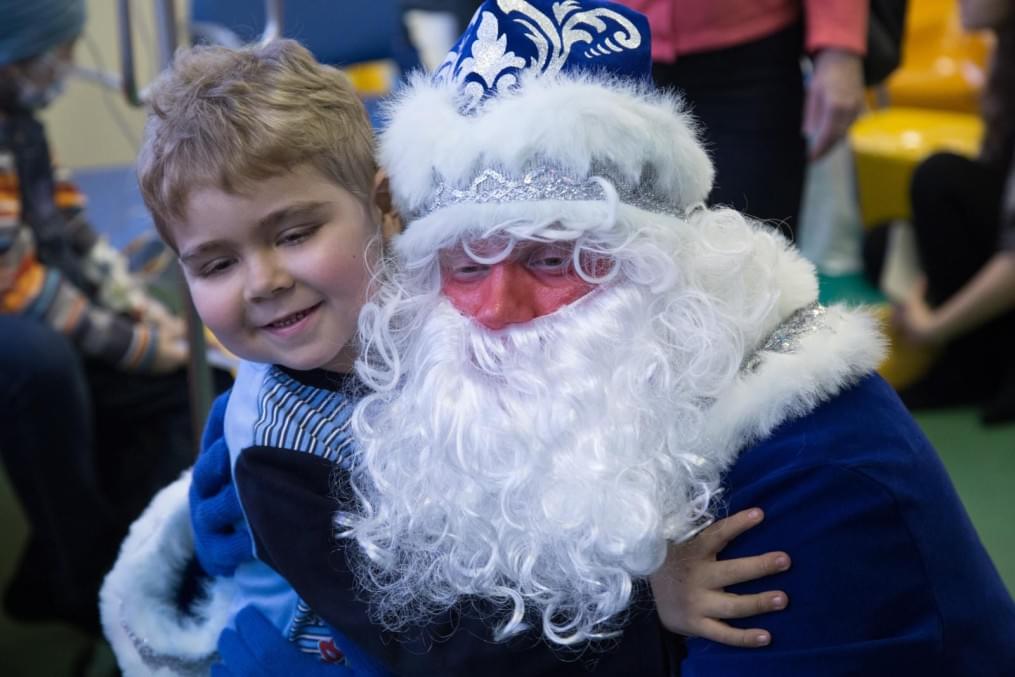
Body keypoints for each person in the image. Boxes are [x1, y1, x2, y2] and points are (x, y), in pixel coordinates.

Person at [333, 0, 1011, 673]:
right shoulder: (554, 432)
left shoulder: (807, 470)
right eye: (466, 264)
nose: (498, 308)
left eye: (550, 259)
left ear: (653, 265)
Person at [100, 24, 791, 677]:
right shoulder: (281, 456)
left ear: (385, 203)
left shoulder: (454, 283)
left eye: (293, 232)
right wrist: (648, 607)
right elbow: (428, 644)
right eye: (215, 264)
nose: (264, 282)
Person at [0, 0, 198, 634]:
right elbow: (20, 285)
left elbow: (74, 232)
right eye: (59, 52)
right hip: (17, 308)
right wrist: (137, 345)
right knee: (48, 364)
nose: (69, 65)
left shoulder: (23, 124)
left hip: (31, 291)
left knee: (172, 391)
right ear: (17, 53)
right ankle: (82, 577)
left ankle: (111, 560)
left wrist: (143, 316)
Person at [621, 0, 869, 239]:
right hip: (610, 44)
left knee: (757, 255)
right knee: (615, 254)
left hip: (753, 55)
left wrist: (840, 44)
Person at [892, 0, 1015, 425]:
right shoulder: (1003, 53)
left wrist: (935, 326)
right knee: (885, 245)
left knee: (939, 178)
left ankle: (969, 367)